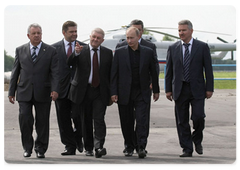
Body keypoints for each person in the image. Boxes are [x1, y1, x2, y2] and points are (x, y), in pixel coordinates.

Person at [8, 23, 59, 158]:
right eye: (34, 33)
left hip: (44, 91)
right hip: (24, 92)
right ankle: (27, 147)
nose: (37, 35)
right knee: (25, 119)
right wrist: (11, 91)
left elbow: (55, 72)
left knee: (42, 121)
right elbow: (15, 72)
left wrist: (55, 89)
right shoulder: (20, 50)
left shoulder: (51, 50)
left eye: (39, 33)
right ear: (28, 35)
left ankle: (40, 148)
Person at [165, 20, 214, 157]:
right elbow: (169, 71)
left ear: (191, 31)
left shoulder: (202, 47)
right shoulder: (173, 48)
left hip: (197, 88)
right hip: (180, 89)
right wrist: (168, 89)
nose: (181, 33)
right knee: (182, 120)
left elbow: (208, 69)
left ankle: (197, 139)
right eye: (179, 30)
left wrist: (209, 88)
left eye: (183, 30)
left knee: (198, 116)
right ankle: (187, 148)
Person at [111, 27, 160, 158]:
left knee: (142, 120)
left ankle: (141, 146)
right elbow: (114, 74)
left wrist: (156, 90)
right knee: (126, 121)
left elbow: (154, 72)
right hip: (124, 92)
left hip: (142, 91)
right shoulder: (120, 52)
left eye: (132, 38)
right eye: (127, 38)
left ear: (139, 37)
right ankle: (129, 146)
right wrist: (113, 92)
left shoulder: (148, 52)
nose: (129, 40)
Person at [67, 28, 113, 158]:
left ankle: (99, 146)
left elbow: (111, 74)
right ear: (90, 37)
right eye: (93, 37)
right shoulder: (81, 50)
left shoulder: (108, 53)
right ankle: (88, 147)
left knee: (99, 119)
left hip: (100, 91)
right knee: (85, 120)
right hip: (84, 90)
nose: (95, 40)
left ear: (102, 40)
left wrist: (112, 92)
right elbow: (69, 63)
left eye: (98, 38)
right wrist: (75, 54)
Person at [52, 21, 86, 156]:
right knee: (63, 119)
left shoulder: (84, 47)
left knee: (79, 116)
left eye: (76, 31)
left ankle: (78, 137)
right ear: (64, 32)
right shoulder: (53, 49)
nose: (75, 34)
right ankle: (69, 146)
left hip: (78, 90)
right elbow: (51, 70)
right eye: (72, 32)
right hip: (60, 90)